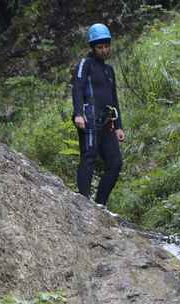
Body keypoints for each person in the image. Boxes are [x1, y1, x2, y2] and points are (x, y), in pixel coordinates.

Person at [72, 23, 125, 208]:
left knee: (115, 163)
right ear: (92, 48)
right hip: (88, 118)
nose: (104, 50)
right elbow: (77, 88)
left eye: (106, 46)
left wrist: (119, 126)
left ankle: (100, 205)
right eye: (100, 47)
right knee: (89, 157)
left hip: (107, 121)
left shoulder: (109, 70)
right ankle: (83, 201)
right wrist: (78, 113)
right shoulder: (85, 64)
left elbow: (114, 98)